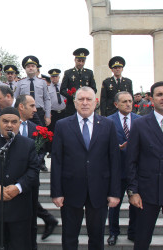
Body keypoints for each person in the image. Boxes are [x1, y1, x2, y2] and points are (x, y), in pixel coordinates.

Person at [51, 86, 120, 249]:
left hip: (99, 190)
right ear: (74, 103)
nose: (84, 103)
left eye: (88, 99)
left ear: (95, 102)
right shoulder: (62, 125)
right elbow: (57, 160)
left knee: (96, 237)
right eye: (80, 99)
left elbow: (114, 160)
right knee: (69, 236)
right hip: (70, 189)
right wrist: (56, 192)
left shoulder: (108, 125)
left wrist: (115, 192)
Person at [126, 81, 163, 250]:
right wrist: (133, 191)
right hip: (147, 193)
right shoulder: (139, 125)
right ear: (152, 99)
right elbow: (131, 161)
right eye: (159, 95)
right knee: (142, 240)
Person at [0, 107, 39, 250]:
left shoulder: (28, 144)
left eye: (14, 122)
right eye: (5, 121)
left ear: (19, 124)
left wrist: (18, 187)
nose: (9, 125)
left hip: (20, 208)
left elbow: (34, 170)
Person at [15, 95, 58, 247]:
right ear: (21, 107)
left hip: (32, 180)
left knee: (31, 217)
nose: (35, 109)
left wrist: (36, 161)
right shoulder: (9, 125)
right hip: (12, 181)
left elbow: (42, 150)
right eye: (32, 106)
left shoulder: (35, 129)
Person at [106, 91, 139, 245]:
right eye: (124, 101)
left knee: (136, 204)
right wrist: (115, 149)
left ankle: (133, 232)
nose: (128, 104)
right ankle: (113, 232)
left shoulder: (140, 120)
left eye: (130, 101)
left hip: (135, 171)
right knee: (114, 204)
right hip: (117, 170)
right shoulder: (108, 122)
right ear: (116, 104)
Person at [14, 55, 51, 126]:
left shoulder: (43, 82)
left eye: (32, 66)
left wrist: (47, 116)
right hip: (24, 112)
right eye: (28, 67)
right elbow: (15, 100)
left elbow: (47, 99)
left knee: (40, 134)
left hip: (39, 112)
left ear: (36, 68)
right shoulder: (19, 83)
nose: (30, 68)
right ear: (25, 69)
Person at [60, 48, 97, 117]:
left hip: (86, 106)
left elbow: (94, 89)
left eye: (83, 61)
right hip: (72, 106)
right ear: (75, 60)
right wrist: (73, 97)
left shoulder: (89, 73)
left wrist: (87, 96)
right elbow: (62, 89)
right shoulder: (68, 73)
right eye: (79, 61)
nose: (81, 63)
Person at [47, 69, 66, 156]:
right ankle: (51, 150)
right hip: (53, 113)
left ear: (59, 77)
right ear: (50, 78)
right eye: (52, 77)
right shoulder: (47, 88)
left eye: (56, 76)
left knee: (64, 131)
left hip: (63, 112)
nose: (54, 78)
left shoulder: (63, 86)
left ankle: (64, 148)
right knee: (52, 132)